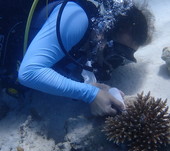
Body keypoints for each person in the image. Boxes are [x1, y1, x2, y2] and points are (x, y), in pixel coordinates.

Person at [18, 0, 153, 116]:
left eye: (123, 60)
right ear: (102, 32)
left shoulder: (91, 38)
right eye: (116, 54)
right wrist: (89, 93)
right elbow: (29, 72)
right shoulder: (77, 19)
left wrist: (85, 84)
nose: (112, 65)